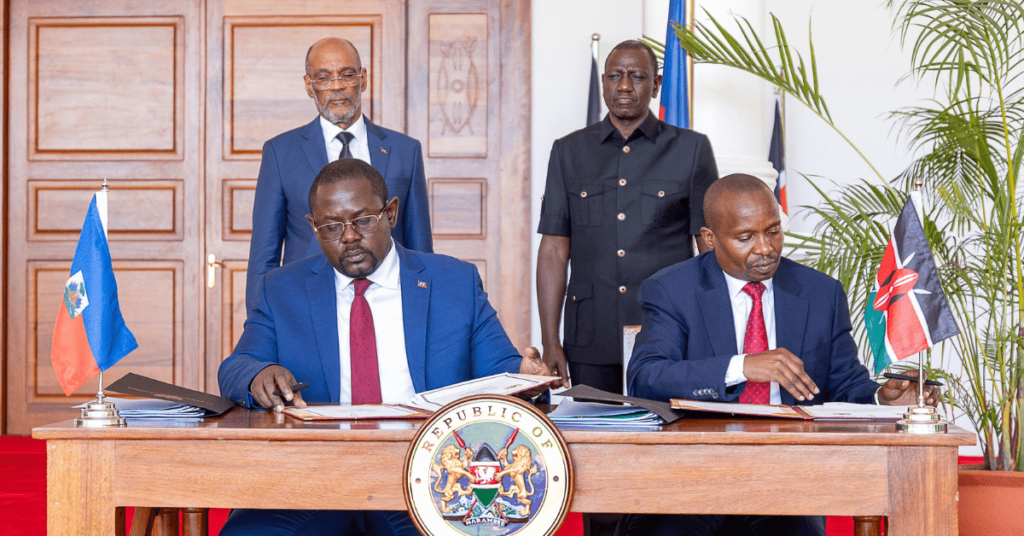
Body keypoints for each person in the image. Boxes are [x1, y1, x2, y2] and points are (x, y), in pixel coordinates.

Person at [219, 159, 550, 536]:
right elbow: (236, 366)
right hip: (313, 476)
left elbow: (503, 373)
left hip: (425, 475)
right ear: (313, 227)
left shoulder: (453, 282)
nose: (348, 237)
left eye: (362, 221)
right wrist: (257, 374)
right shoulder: (282, 289)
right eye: (331, 226)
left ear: (390, 213)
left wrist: (526, 378)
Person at [622, 174, 937, 536]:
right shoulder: (671, 289)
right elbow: (646, 377)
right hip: (692, 475)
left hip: (787, 478)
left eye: (773, 231)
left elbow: (845, 383)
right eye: (746, 237)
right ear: (709, 239)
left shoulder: (821, 293)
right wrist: (742, 366)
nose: (765, 248)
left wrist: (885, 399)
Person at [536, 39, 718, 396]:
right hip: (589, 332)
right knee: (593, 439)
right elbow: (554, 250)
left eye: (637, 77)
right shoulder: (568, 151)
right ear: (603, 81)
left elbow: (708, 247)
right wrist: (549, 340)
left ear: (657, 84)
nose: (623, 86)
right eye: (615, 75)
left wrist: (712, 330)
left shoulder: (691, 149)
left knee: (668, 436)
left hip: (666, 327)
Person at [247, 37, 432, 313]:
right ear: (309, 86)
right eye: (324, 78)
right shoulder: (280, 153)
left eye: (346, 75)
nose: (336, 87)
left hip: (391, 302)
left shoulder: (405, 150)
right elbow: (264, 253)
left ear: (363, 79)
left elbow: (421, 248)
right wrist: (261, 323)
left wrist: (425, 307)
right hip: (308, 301)